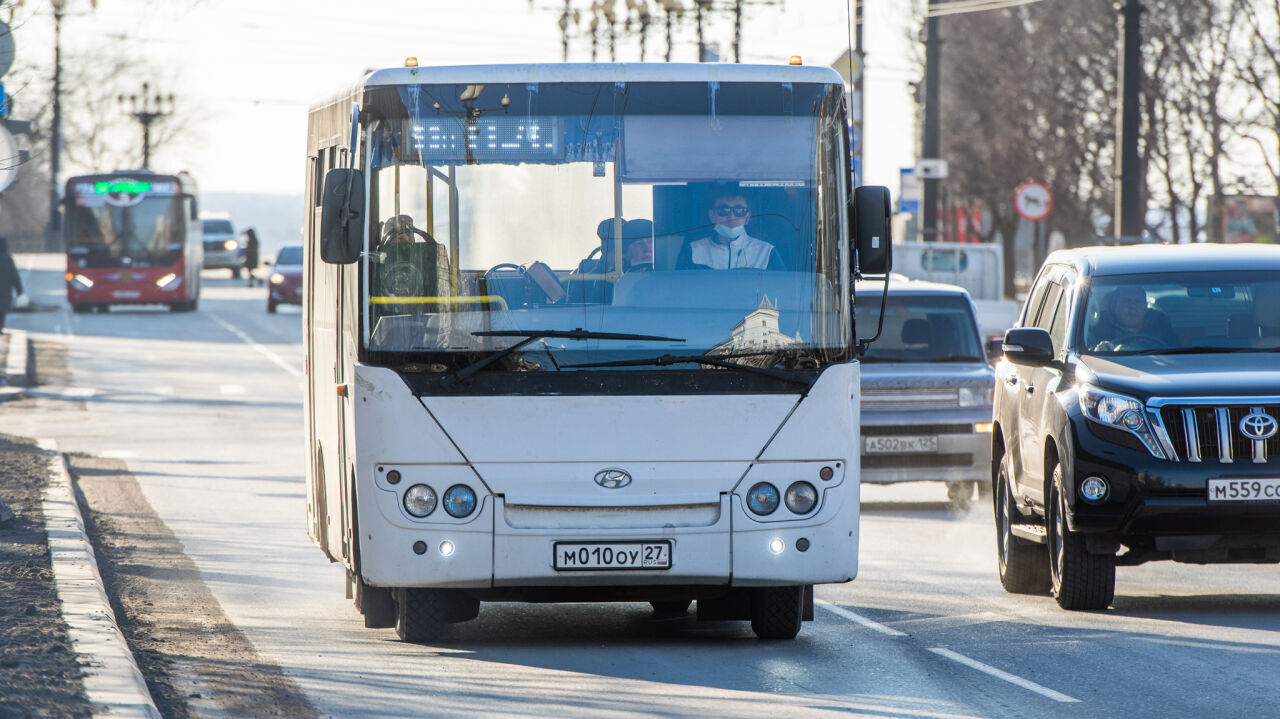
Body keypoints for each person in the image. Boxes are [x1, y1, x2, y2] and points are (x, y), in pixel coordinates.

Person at [678, 190, 784, 270]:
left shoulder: (766, 252)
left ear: (747, 217)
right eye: (723, 210)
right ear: (712, 216)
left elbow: (780, 293)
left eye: (739, 210)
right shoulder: (693, 251)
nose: (731, 217)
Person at [1088, 285, 1176, 350]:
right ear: (1115, 306)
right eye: (1127, 301)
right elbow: (1084, 355)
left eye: (1138, 302)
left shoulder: (1161, 327)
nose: (1132, 307)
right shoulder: (1098, 329)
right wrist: (1097, 350)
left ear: (1146, 307)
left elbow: (1175, 354)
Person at [0, 237, 22, 334]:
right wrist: (19, 290)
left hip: (4, 290)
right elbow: (14, 276)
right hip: (4, 290)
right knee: (2, 310)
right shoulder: (8, 259)